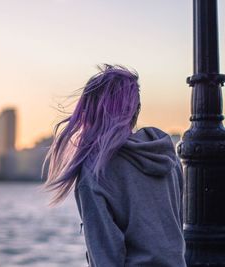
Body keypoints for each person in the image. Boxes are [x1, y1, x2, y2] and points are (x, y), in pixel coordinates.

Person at [42, 64, 186, 266]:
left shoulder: (95, 169)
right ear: (136, 110)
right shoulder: (166, 156)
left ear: (89, 112)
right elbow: (177, 228)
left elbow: (106, 257)